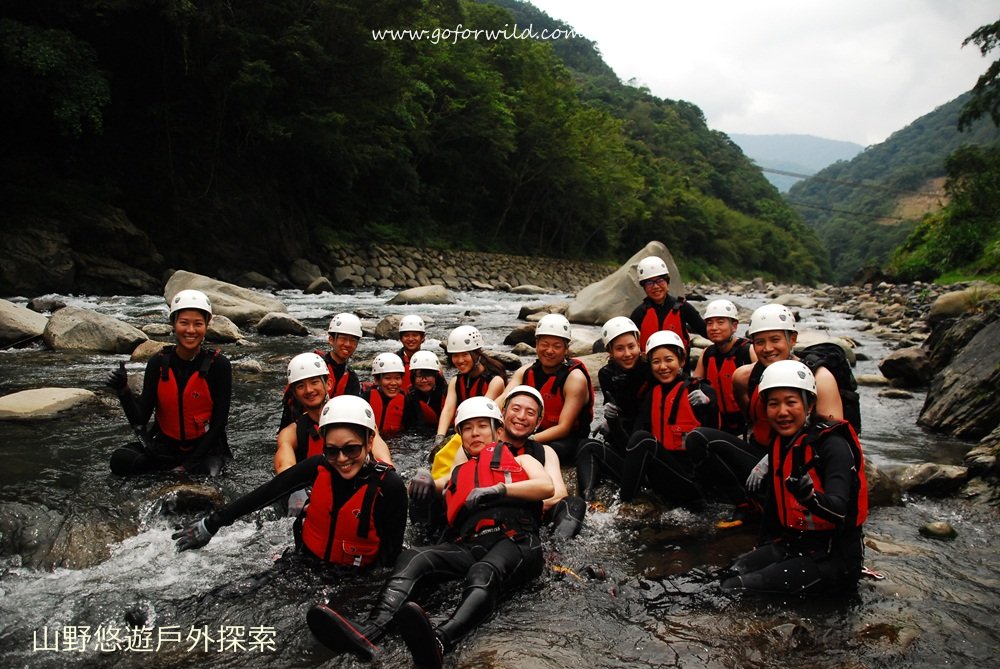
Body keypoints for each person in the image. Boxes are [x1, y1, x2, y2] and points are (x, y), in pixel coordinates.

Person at [306, 396, 553, 668]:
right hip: (471, 544)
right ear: (460, 436)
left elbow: (546, 486)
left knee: (483, 572)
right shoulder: (458, 472)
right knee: (415, 556)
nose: (475, 433)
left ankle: (440, 640)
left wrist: (500, 489)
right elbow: (431, 485)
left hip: (515, 540)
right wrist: (422, 477)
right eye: (467, 428)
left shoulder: (523, 459)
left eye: (482, 426)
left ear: (498, 430)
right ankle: (372, 630)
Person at [172, 395, 407, 569]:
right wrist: (212, 523)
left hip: (354, 579)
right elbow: (267, 492)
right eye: (332, 451)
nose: (342, 459)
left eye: (351, 449)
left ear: (369, 441)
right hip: (304, 564)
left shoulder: (389, 487)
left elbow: (389, 561)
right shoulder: (318, 466)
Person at [685, 304, 845, 524]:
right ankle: (747, 503)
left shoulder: (820, 378)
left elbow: (833, 436)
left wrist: (777, 456)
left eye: (775, 340)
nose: (767, 348)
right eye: (760, 342)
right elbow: (750, 420)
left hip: (803, 466)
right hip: (761, 454)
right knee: (698, 438)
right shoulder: (744, 377)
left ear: (792, 339)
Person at [720, 360, 868, 594]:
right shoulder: (782, 442)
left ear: (809, 406)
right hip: (793, 545)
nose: (782, 412)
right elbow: (772, 505)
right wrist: (763, 544)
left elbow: (840, 509)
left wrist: (809, 497)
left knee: (732, 589)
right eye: (773, 404)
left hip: (831, 558)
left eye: (791, 402)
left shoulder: (832, 446)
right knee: (726, 575)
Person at [106, 289, 232, 477]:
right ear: (173, 324)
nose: (191, 330)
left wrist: (188, 466)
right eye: (184, 323)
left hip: (205, 450)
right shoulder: (158, 363)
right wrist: (123, 390)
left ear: (206, 326)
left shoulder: (219, 365)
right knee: (120, 460)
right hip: (167, 447)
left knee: (211, 474)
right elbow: (140, 420)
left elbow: (219, 424)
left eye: (198, 324)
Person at [618, 330, 720, 507]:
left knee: (643, 439)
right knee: (594, 445)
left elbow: (715, 432)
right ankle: (625, 501)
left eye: (669, 360)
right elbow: (633, 441)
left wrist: (708, 404)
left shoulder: (701, 391)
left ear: (682, 361)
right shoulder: (652, 395)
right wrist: (613, 422)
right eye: (656, 362)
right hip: (664, 476)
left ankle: (622, 503)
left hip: (693, 483)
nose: (663, 367)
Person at [575, 317, 651, 503]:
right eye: (619, 348)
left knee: (637, 438)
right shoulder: (606, 374)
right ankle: (589, 500)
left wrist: (615, 423)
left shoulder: (650, 369)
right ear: (609, 351)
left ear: (639, 344)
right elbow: (618, 409)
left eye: (631, 346)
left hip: (647, 445)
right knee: (586, 446)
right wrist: (610, 420)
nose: (627, 354)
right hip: (625, 440)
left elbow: (643, 418)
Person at [503, 313, 594, 462]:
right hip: (533, 431)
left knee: (545, 450)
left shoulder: (575, 379)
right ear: (536, 344)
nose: (549, 351)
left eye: (557, 346)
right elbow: (501, 402)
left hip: (566, 439)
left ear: (566, 349)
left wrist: (526, 440)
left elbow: (564, 428)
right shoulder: (525, 372)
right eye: (544, 344)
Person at [430, 325, 507, 477]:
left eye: (465, 355)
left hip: (487, 432)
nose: (459, 360)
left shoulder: (495, 381)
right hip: (467, 430)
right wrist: (439, 438)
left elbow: (480, 413)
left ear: (476, 353)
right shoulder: (456, 381)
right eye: (455, 356)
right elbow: (448, 409)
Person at [278, 312, 363, 430]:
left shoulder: (352, 378)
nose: (348, 344)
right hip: (302, 427)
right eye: (343, 338)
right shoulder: (311, 366)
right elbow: (293, 408)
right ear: (331, 340)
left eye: (353, 340)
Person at [692, 299, 757, 436]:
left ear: (734, 326)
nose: (714, 327)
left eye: (720, 322)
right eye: (709, 323)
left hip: (746, 424)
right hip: (718, 423)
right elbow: (694, 384)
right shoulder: (707, 354)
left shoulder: (749, 351)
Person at [628, 256, 706, 354]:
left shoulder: (683, 308)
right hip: (648, 363)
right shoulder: (639, 313)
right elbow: (627, 342)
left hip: (678, 363)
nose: (655, 286)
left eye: (660, 281)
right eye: (649, 283)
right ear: (644, 287)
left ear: (667, 282)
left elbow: (705, 331)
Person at [364, 352, 408, 435]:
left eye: (397, 378)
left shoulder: (407, 401)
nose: (393, 383)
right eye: (387, 378)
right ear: (377, 380)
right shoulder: (366, 398)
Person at [403, 350, 447, 429]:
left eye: (428, 375)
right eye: (419, 376)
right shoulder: (410, 397)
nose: (424, 380)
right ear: (413, 378)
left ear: (436, 376)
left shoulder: (447, 394)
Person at [396, 314, 427, 391]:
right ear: (401, 338)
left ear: (423, 337)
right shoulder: (393, 360)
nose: (410, 339)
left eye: (415, 335)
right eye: (406, 335)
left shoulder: (429, 359)